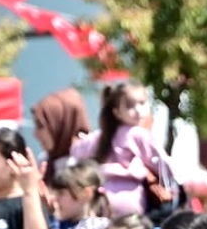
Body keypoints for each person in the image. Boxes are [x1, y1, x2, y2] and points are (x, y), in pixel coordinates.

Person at [71, 82, 174, 218]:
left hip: (101, 200)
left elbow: (76, 152)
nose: (138, 110)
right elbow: (162, 164)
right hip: (131, 201)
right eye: (130, 105)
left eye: (142, 103)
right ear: (117, 112)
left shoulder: (100, 136)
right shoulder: (138, 134)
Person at [31, 88, 91, 183]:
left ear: (61, 124)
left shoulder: (91, 161)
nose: (35, 135)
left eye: (41, 126)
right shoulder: (44, 163)